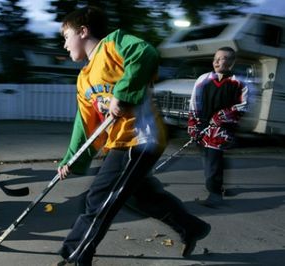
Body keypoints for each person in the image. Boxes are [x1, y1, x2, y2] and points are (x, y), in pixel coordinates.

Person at [54, 7, 210, 265]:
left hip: (140, 138)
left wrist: (123, 94)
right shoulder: (83, 79)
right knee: (140, 196)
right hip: (119, 142)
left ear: (83, 32)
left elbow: (145, 53)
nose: (64, 44)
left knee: (100, 197)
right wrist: (71, 159)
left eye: (66, 36)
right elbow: (84, 124)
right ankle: (191, 227)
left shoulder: (113, 44)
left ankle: (75, 254)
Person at [188, 46, 248, 208]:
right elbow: (194, 102)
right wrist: (193, 125)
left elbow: (243, 105)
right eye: (215, 57)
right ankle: (217, 186)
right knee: (208, 159)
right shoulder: (203, 79)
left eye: (222, 58)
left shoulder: (239, 82)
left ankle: (214, 195)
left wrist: (221, 116)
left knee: (213, 161)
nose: (216, 61)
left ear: (231, 62)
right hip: (202, 127)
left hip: (222, 130)